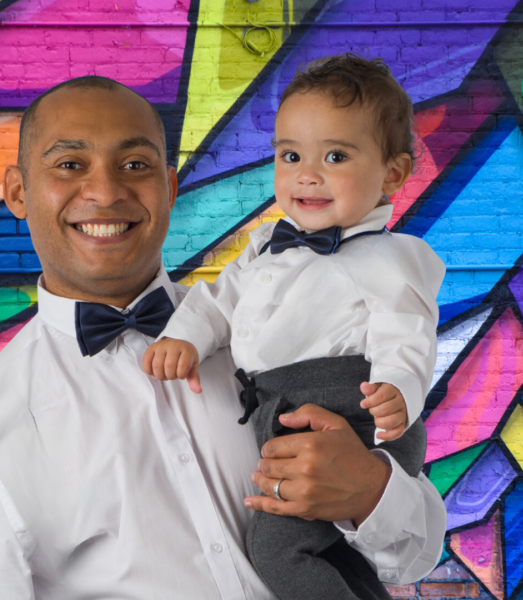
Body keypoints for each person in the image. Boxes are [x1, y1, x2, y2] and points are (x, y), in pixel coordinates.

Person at [0, 75, 446, 600]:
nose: (105, 192)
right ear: (18, 192)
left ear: (170, 187)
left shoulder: (268, 338)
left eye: (135, 165)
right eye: (69, 165)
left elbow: (414, 555)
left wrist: (372, 493)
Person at [144, 55, 446, 600]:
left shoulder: (392, 257)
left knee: (277, 548)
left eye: (335, 156)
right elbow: (217, 301)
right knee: (330, 554)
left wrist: (399, 389)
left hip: (357, 412)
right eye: (290, 155)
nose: (307, 174)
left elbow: (408, 331)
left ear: (393, 174)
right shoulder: (264, 245)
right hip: (281, 410)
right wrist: (184, 336)